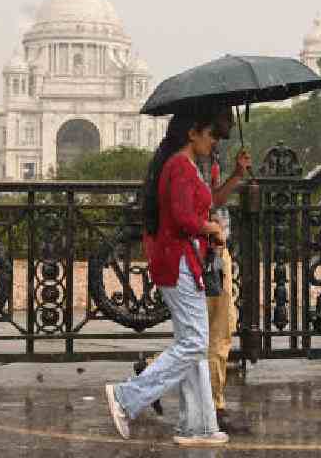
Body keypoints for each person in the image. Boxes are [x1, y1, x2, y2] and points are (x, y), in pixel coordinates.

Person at [105, 111, 229, 447]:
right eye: (211, 134)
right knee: (192, 342)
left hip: (184, 260)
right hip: (178, 262)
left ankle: (198, 425)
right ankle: (126, 397)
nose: (215, 141)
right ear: (193, 133)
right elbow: (182, 217)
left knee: (193, 342)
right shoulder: (178, 166)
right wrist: (211, 228)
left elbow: (191, 211)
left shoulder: (183, 165)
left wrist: (208, 223)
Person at [199, 107, 251, 433]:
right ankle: (215, 407)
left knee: (203, 333)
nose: (232, 123)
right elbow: (210, 202)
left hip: (214, 249)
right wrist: (235, 177)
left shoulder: (210, 154)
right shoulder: (200, 159)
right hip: (211, 251)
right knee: (218, 332)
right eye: (226, 119)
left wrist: (235, 173)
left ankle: (147, 375)